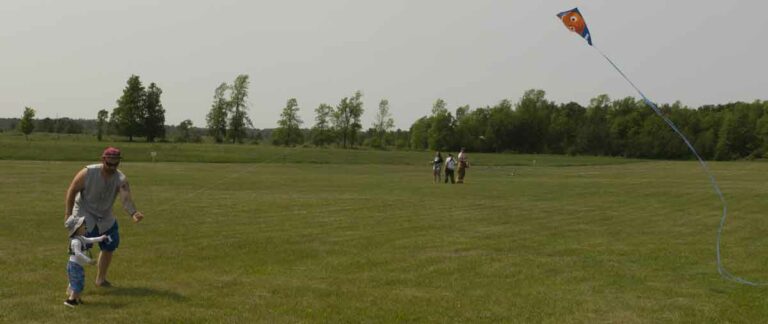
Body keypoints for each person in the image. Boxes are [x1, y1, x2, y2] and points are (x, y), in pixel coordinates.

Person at [64, 147, 144, 288]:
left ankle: (100, 279)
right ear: (103, 160)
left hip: (105, 215)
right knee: (79, 249)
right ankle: (73, 287)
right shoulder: (87, 172)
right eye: (109, 163)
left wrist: (133, 213)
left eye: (116, 163)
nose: (112, 167)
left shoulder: (121, 178)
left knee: (110, 244)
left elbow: (126, 198)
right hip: (84, 212)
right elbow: (72, 190)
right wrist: (68, 215)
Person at [64, 215, 108, 308]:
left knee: (78, 281)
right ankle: (70, 300)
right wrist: (89, 260)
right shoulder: (76, 241)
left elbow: (90, 240)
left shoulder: (80, 238)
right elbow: (78, 254)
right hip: (74, 266)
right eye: (83, 225)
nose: (85, 226)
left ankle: (76, 298)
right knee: (78, 282)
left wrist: (101, 238)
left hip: (76, 265)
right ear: (77, 229)